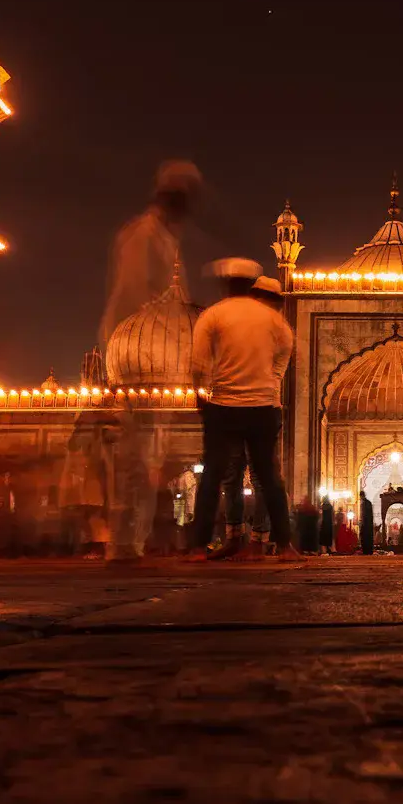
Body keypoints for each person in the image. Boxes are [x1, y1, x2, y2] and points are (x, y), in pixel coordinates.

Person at [188, 259, 296, 560]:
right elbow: (283, 359)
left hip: (224, 406)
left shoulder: (214, 314)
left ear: (227, 283)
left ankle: (198, 547)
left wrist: (201, 394)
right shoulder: (275, 321)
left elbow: (198, 363)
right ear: (252, 285)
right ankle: (284, 546)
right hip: (263, 408)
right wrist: (269, 386)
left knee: (213, 476)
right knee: (269, 477)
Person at [99, 160, 201, 346]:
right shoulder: (143, 234)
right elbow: (135, 292)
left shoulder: (167, 239)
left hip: (156, 340)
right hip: (135, 341)